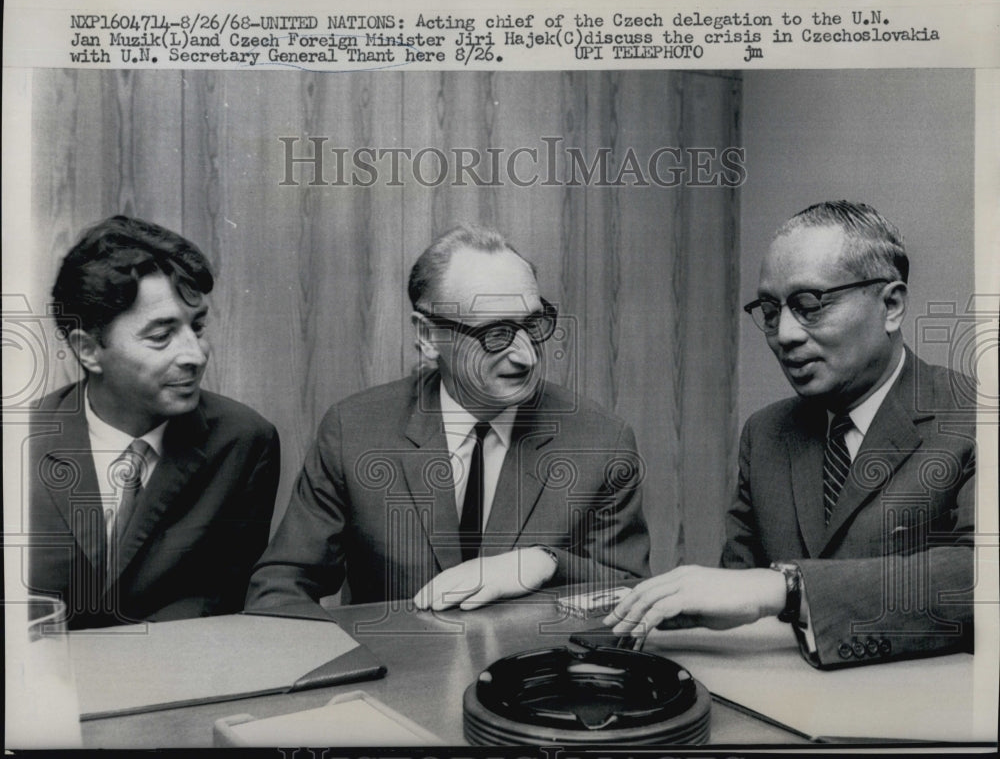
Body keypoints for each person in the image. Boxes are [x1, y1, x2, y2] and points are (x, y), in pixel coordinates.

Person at [605, 201, 975, 668]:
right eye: (769, 309)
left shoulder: (977, 416)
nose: (784, 334)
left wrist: (789, 586)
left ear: (892, 305)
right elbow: (742, 592)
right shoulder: (766, 434)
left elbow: (981, 578)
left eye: (809, 306)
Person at [246, 225, 649, 615]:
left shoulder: (602, 441)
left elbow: (630, 593)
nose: (526, 355)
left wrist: (546, 564)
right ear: (427, 336)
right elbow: (282, 588)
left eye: (533, 324)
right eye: (496, 333)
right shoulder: (354, 430)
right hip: (395, 677)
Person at [28, 215, 280, 629]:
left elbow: (224, 603)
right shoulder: (20, 443)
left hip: (180, 676)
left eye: (197, 327)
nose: (195, 355)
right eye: (162, 336)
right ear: (88, 350)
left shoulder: (244, 442)